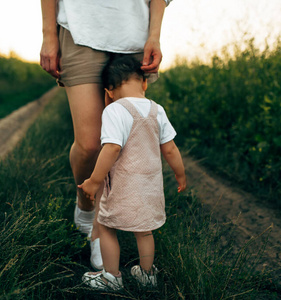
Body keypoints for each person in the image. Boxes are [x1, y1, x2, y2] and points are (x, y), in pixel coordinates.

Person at [40, 0, 173, 271]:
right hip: (79, 30)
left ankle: (99, 230)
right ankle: (85, 204)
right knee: (90, 145)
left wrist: (155, 36)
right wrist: (48, 34)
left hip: (134, 36)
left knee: (121, 143)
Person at [78, 56, 186, 291]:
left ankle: (111, 277)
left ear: (109, 91)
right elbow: (170, 148)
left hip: (122, 186)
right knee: (144, 231)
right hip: (149, 187)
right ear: (144, 83)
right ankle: (147, 274)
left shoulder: (114, 110)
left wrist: (94, 181)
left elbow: (112, 148)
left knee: (106, 227)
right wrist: (180, 175)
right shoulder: (158, 110)